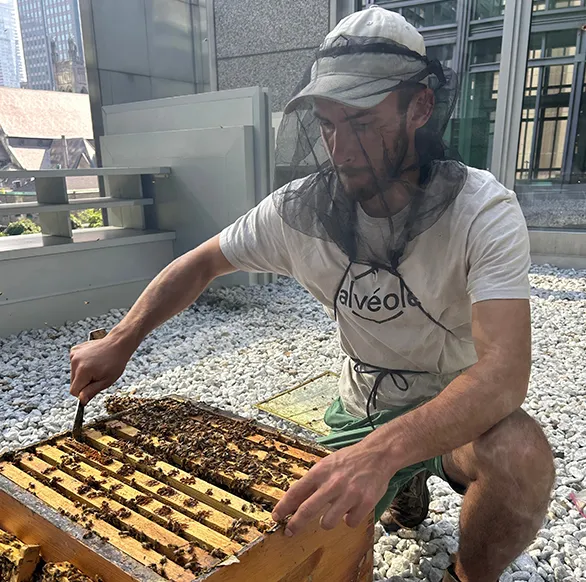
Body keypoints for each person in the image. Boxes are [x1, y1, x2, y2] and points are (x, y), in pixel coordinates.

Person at [70, 7, 555, 582]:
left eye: (363, 122)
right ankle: (405, 491)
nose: (341, 148)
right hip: (362, 409)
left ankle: (467, 573)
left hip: (458, 415)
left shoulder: (484, 210)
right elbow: (200, 263)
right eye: (328, 123)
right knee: (293, 549)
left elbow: (502, 372)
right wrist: (122, 340)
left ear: (420, 107)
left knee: (522, 456)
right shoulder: (298, 212)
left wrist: (383, 453)